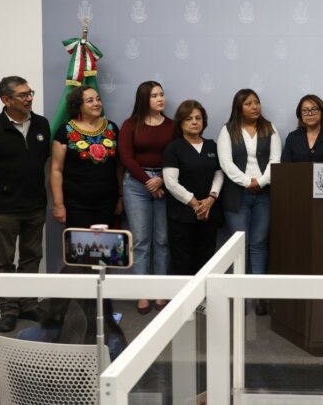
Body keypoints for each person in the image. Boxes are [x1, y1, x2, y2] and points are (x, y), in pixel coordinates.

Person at [0, 76, 51, 333]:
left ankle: (28, 304)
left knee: (31, 257)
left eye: (30, 93)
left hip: (35, 205)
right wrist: (0, 191)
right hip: (5, 210)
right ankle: (8, 309)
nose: (29, 98)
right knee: (5, 261)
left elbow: (42, 160)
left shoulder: (41, 124)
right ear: (6, 100)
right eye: (23, 95)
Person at [217, 89, 281, 315]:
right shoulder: (228, 130)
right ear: (239, 107)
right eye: (248, 103)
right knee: (240, 246)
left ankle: (259, 296)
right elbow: (225, 163)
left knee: (259, 244)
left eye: (257, 102)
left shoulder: (270, 128)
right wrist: (247, 182)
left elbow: (275, 160)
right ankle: (241, 298)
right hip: (237, 195)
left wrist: (260, 182)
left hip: (264, 194)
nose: (255, 107)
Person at [119, 81, 173, 315]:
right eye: (154, 96)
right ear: (144, 99)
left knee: (162, 240)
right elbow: (126, 158)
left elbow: (175, 156)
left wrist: (160, 179)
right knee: (141, 241)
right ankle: (142, 292)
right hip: (136, 185)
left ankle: (160, 291)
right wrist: (148, 182)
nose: (160, 99)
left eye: (162, 94)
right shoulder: (130, 124)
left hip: (165, 183)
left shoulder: (172, 126)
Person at [163, 100, 224, 275]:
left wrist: (211, 198)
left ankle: (205, 294)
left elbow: (219, 174)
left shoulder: (212, 146)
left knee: (207, 261)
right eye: (189, 119)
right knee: (183, 262)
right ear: (180, 122)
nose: (194, 122)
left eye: (198, 118)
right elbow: (170, 182)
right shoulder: (173, 148)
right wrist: (195, 204)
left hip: (209, 213)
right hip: (182, 215)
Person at [50, 86, 123, 229]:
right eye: (90, 101)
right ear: (78, 106)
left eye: (98, 99)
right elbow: (56, 170)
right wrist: (58, 204)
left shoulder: (112, 128)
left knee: (105, 242)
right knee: (80, 242)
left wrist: (121, 196)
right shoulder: (65, 131)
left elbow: (119, 166)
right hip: (76, 204)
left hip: (108, 202)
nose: (96, 103)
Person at [281, 94, 323, 163]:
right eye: (305, 111)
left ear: (322, 112)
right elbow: (285, 165)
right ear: (300, 115)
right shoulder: (292, 137)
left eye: (314, 109)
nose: (310, 114)